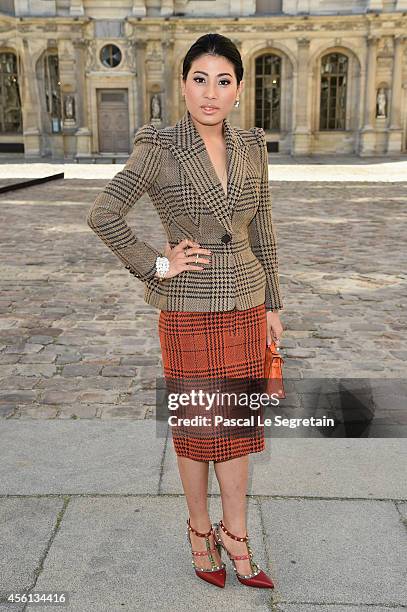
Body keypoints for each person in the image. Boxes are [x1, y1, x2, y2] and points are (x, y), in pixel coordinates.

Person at [86, 33, 284, 590]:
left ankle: (237, 535)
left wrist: (274, 303)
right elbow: (104, 214)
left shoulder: (251, 147)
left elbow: (264, 229)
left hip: (245, 300)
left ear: (239, 90)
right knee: (199, 424)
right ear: (183, 84)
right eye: (200, 79)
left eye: (224, 82)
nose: (210, 93)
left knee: (237, 426)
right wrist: (157, 265)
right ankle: (200, 530)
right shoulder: (160, 145)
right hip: (188, 307)